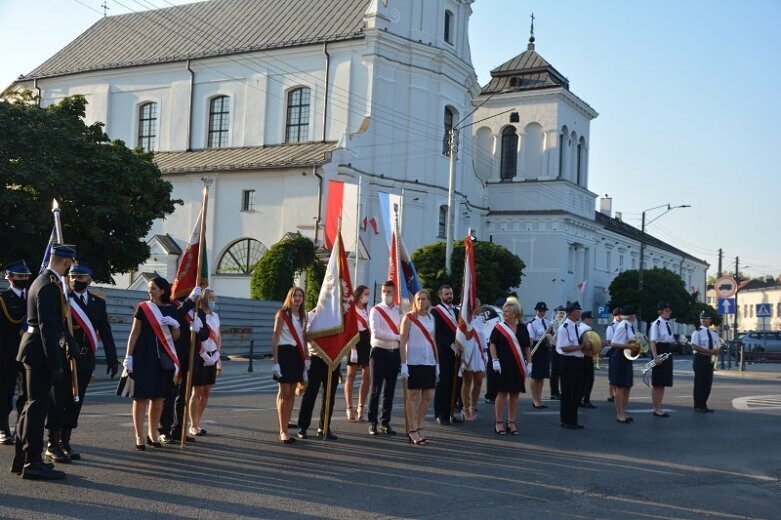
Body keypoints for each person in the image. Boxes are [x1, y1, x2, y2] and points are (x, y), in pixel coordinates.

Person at [13, 245, 75, 480]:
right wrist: (55, 363)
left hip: (33, 349)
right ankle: (32, 463)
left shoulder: (43, 280)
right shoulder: (50, 285)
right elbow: (47, 326)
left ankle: (23, 459)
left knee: (31, 407)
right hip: (40, 352)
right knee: (37, 409)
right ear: (67, 262)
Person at [46, 262, 119, 462]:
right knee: (58, 399)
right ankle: (52, 442)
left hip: (86, 358)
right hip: (64, 357)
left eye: (80, 278)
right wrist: (64, 342)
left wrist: (112, 359)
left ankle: (65, 441)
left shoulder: (97, 303)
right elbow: (55, 326)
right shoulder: (63, 299)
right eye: (73, 277)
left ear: (89, 279)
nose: (76, 281)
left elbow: (105, 331)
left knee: (75, 401)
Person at [123, 276, 182, 450]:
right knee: (140, 397)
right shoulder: (143, 308)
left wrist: (176, 325)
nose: (150, 291)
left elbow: (175, 338)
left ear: (163, 290)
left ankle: (153, 433)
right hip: (143, 357)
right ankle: (139, 435)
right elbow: (134, 333)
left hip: (163, 359)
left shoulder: (172, 310)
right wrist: (129, 356)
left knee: (158, 398)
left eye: (153, 288)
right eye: (149, 288)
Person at [158, 286, 208, 444]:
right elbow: (176, 317)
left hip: (191, 358)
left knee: (184, 397)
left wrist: (199, 330)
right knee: (169, 396)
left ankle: (179, 430)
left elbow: (205, 333)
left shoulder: (198, 311)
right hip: (174, 358)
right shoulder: (172, 308)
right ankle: (164, 431)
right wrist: (189, 301)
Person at [271, 287, 309, 444]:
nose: (298, 299)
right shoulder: (282, 314)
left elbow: (304, 338)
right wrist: (275, 362)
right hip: (284, 353)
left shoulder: (304, 315)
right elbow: (275, 337)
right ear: (290, 298)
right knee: (284, 392)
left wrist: (307, 359)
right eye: (295, 296)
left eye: (300, 296)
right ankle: (282, 430)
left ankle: (286, 423)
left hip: (297, 355)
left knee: (292, 392)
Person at [399, 290, 438, 445]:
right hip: (414, 362)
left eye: (424, 299)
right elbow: (402, 342)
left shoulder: (431, 318)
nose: (421, 302)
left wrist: (438, 362)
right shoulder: (408, 318)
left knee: (428, 395)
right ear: (414, 301)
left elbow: (433, 341)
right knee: (413, 396)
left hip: (429, 361)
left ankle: (420, 426)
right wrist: (403, 364)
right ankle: (412, 430)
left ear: (428, 301)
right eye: (418, 299)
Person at [297, 307, 341, 441]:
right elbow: (307, 336)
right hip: (316, 359)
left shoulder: (337, 317)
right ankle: (303, 427)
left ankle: (324, 427)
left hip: (333, 360)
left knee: (330, 396)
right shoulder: (311, 315)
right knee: (310, 394)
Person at [488, 298, 530, 435]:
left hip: (517, 366)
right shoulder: (499, 327)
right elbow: (492, 343)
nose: (504, 313)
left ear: (515, 314)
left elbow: (526, 347)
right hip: (502, 365)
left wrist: (529, 362)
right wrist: (494, 360)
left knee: (514, 394)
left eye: (507, 312)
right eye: (504, 311)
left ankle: (511, 422)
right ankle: (498, 422)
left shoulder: (523, 328)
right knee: (501, 394)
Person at [0, 261, 31, 446]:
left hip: (28, 353)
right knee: (5, 393)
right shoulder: (3, 299)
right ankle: (4, 429)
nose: (24, 280)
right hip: (8, 355)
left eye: (26, 276)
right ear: (9, 277)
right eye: (20, 276)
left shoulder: (32, 298)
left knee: (28, 393)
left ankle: (22, 428)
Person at [367, 280, 401, 436]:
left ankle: (385, 422)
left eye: (389, 291)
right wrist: (397, 336)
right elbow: (377, 332)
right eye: (384, 291)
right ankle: (372, 422)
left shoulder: (398, 311)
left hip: (394, 353)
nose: (386, 294)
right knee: (375, 389)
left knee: (390, 390)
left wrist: (398, 338)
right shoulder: (376, 310)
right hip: (379, 352)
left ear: (394, 293)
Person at [189, 288, 221, 436]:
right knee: (197, 391)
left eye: (214, 298)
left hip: (213, 356)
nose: (213, 301)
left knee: (207, 391)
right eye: (211, 298)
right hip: (200, 355)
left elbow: (218, 337)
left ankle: (198, 421)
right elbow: (195, 338)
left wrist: (217, 356)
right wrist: (204, 355)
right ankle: (193, 425)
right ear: (204, 299)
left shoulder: (215, 316)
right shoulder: (198, 315)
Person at [432, 285, 461, 425]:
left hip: (456, 353)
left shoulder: (457, 311)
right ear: (441, 295)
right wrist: (451, 345)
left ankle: (450, 412)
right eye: (446, 294)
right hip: (443, 351)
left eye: (451, 293)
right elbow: (437, 333)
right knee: (443, 383)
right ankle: (439, 413)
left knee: (453, 382)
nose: (449, 296)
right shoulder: (436, 312)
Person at [555, 301, 586, 430]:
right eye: (578, 311)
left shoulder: (577, 328)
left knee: (576, 392)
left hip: (578, 361)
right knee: (568, 393)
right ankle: (567, 420)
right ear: (573, 313)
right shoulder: (565, 328)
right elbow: (565, 347)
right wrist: (582, 346)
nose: (580, 314)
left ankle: (573, 419)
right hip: (568, 363)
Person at [344, 285, 371, 422]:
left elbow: (368, 328)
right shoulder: (352, 309)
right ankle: (349, 408)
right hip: (354, 342)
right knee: (351, 375)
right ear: (359, 294)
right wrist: (352, 346)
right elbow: (349, 328)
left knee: (367, 376)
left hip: (366, 342)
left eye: (368, 294)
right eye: (366, 293)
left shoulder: (366, 310)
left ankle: (361, 407)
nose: (367, 296)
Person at [609, 305, 640, 424]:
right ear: (631, 316)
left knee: (627, 386)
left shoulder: (629, 325)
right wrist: (630, 346)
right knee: (620, 387)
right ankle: (620, 414)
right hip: (620, 357)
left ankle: (624, 412)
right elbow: (614, 343)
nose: (636, 316)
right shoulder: (623, 325)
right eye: (635, 314)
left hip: (627, 358)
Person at [460, 298, 486, 421]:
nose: (480, 308)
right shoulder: (465, 320)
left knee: (479, 381)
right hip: (468, 353)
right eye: (479, 305)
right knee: (467, 382)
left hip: (479, 354)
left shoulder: (480, 320)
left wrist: (485, 355)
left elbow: (483, 338)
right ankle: (465, 408)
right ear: (473, 306)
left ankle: (473, 406)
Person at [648, 301, 675, 417]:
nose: (669, 312)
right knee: (657, 383)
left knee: (663, 383)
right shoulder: (657, 323)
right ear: (661, 312)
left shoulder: (667, 323)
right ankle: (656, 408)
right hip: (659, 351)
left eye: (669, 310)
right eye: (667, 310)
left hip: (667, 351)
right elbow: (653, 341)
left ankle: (659, 406)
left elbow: (670, 339)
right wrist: (655, 357)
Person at [691, 311, 719, 413]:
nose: (703, 320)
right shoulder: (697, 332)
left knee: (707, 383)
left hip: (709, 360)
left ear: (710, 320)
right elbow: (694, 346)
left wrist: (716, 351)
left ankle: (704, 404)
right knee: (699, 383)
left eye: (705, 318)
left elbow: (716, 345)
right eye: (701, 318)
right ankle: (698, 405)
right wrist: (709, 351)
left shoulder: (713, 333)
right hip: (700, 359)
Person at [526, 301, 552, 409]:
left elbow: (552, 335)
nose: (542, 312)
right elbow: (531, 340)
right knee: (535, 375)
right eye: (540, 311)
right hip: (536, 348)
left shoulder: (548, 321)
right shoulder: (532, 323)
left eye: (543, 311)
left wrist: (552, 334)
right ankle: (534, 400)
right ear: (536, 311)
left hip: (545, 348)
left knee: (541, 376)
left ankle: (540, 399)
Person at [578, 311, 597, 409]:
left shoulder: (578, 328)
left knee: (583, 379)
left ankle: (579, 399)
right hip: (587, 356)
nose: (591, 320)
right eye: (589, 318)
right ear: (584, 319)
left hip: (580, 356)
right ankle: (586, 400)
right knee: (590, 379)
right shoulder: (587, 329)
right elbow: (593, 343)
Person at [604, 307, 622, 402]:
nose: (621, 316)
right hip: (614, 349)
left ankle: (617, 393)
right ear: (615, 315)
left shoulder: (623, 324)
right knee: (613, 373)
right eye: (619, 314)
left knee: (619, 373)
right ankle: (611, 395)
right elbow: (609, 341)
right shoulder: (612, 326)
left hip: (622, 349)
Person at [549, 305, 564, 400]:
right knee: (555, 371)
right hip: (555, 348)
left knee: (560, 371)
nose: (560, 315)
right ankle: (554, 392)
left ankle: (558, 391)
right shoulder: (553, 323)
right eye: (559, 313)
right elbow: (550, 334)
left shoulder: (563, 323)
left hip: (562, 348)